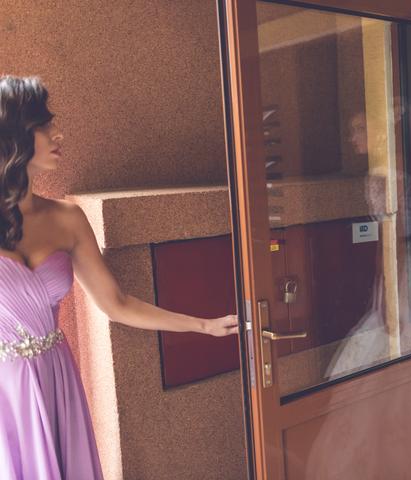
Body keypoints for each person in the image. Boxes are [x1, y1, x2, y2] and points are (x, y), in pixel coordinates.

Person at [0, 76, 239, 479]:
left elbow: (117, 304)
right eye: (43, 125)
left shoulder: (67, 218)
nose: (58, 133)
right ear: (13, 137)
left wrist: (204, 325)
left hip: (58, 379)